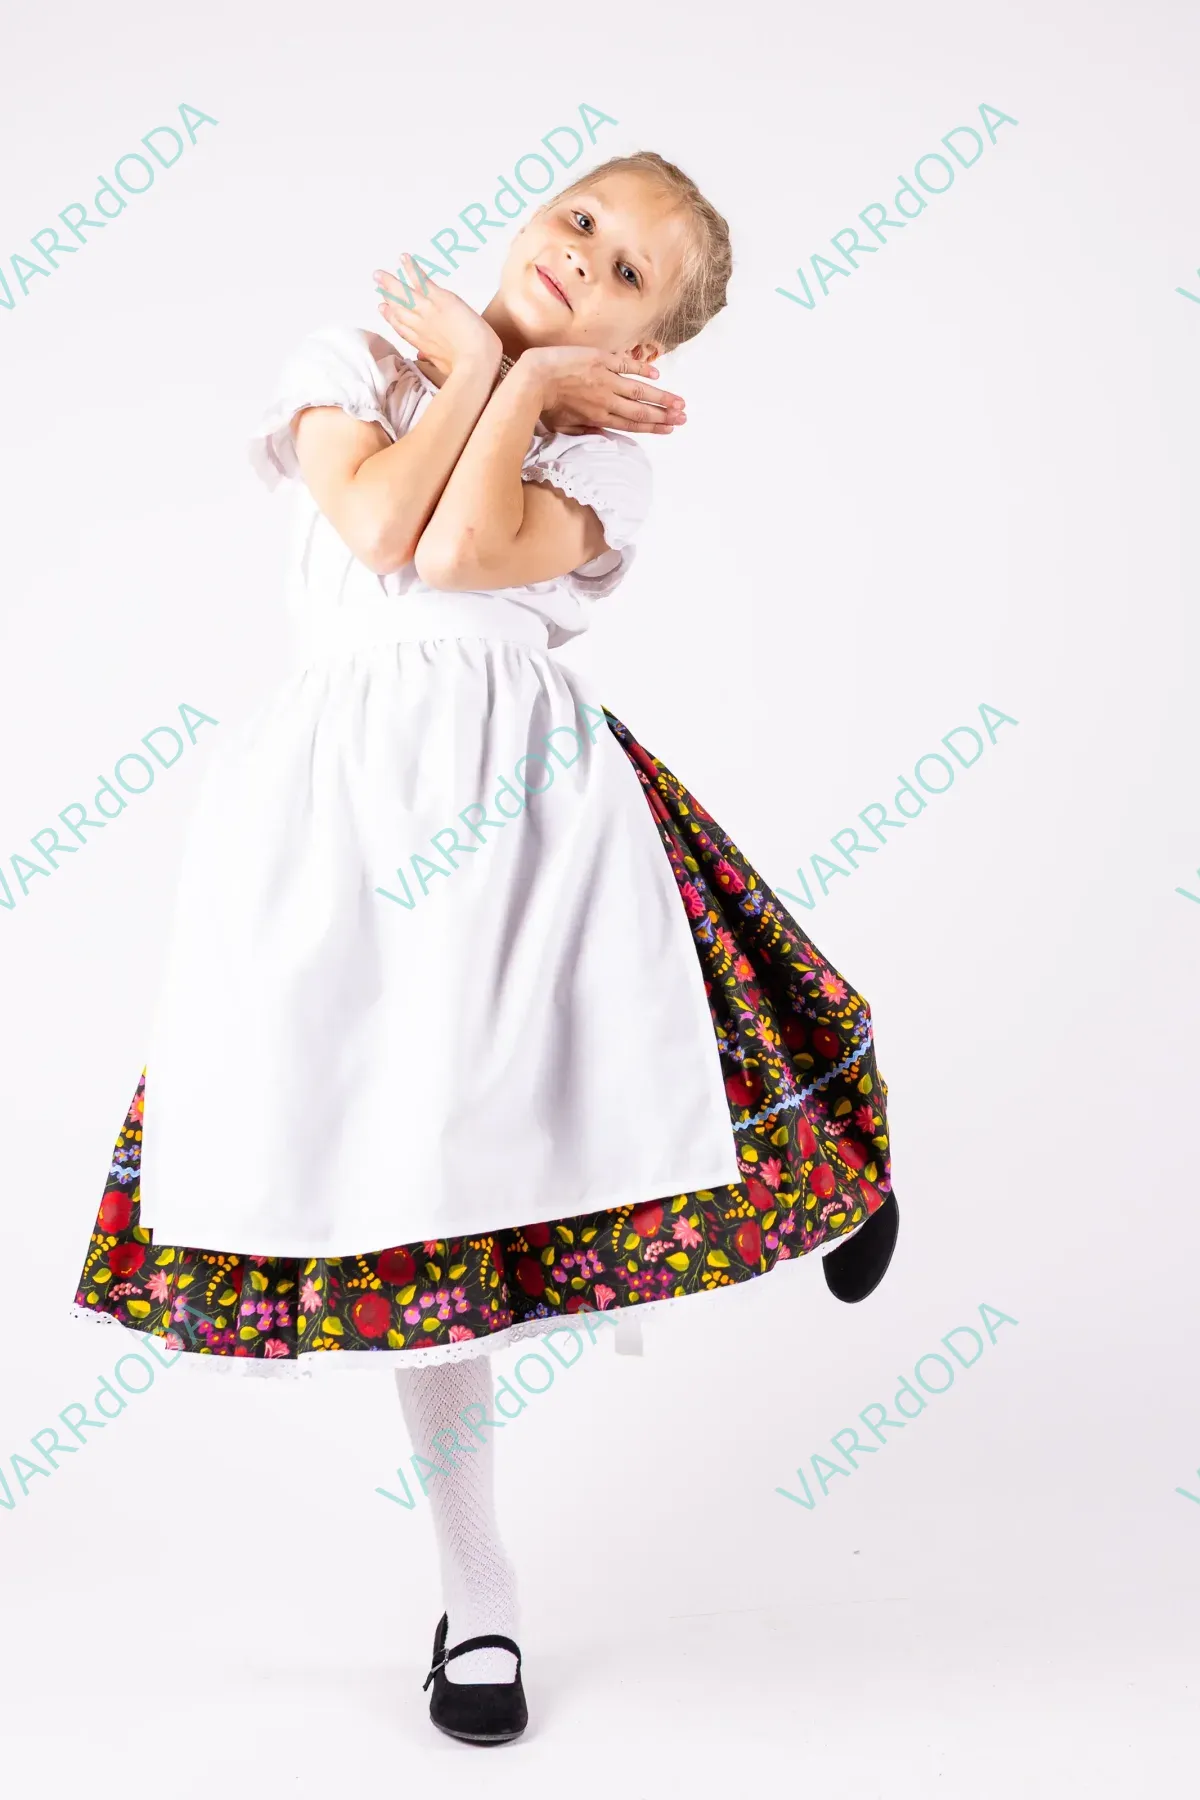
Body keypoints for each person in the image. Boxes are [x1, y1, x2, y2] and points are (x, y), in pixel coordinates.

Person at [70, 150, 900, 1744]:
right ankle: (481, 1595)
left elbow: (458, 558)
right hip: (341, 811)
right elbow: (382, 519)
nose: (584, 253)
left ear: (640, 351)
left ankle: (850, 1170)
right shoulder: (350, 358)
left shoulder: (614, 457)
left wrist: (506, 379)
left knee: (688, 1044)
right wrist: (476, 367)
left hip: (522, 793)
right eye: (580, 217)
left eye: (628, 269)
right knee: (416, 1188)